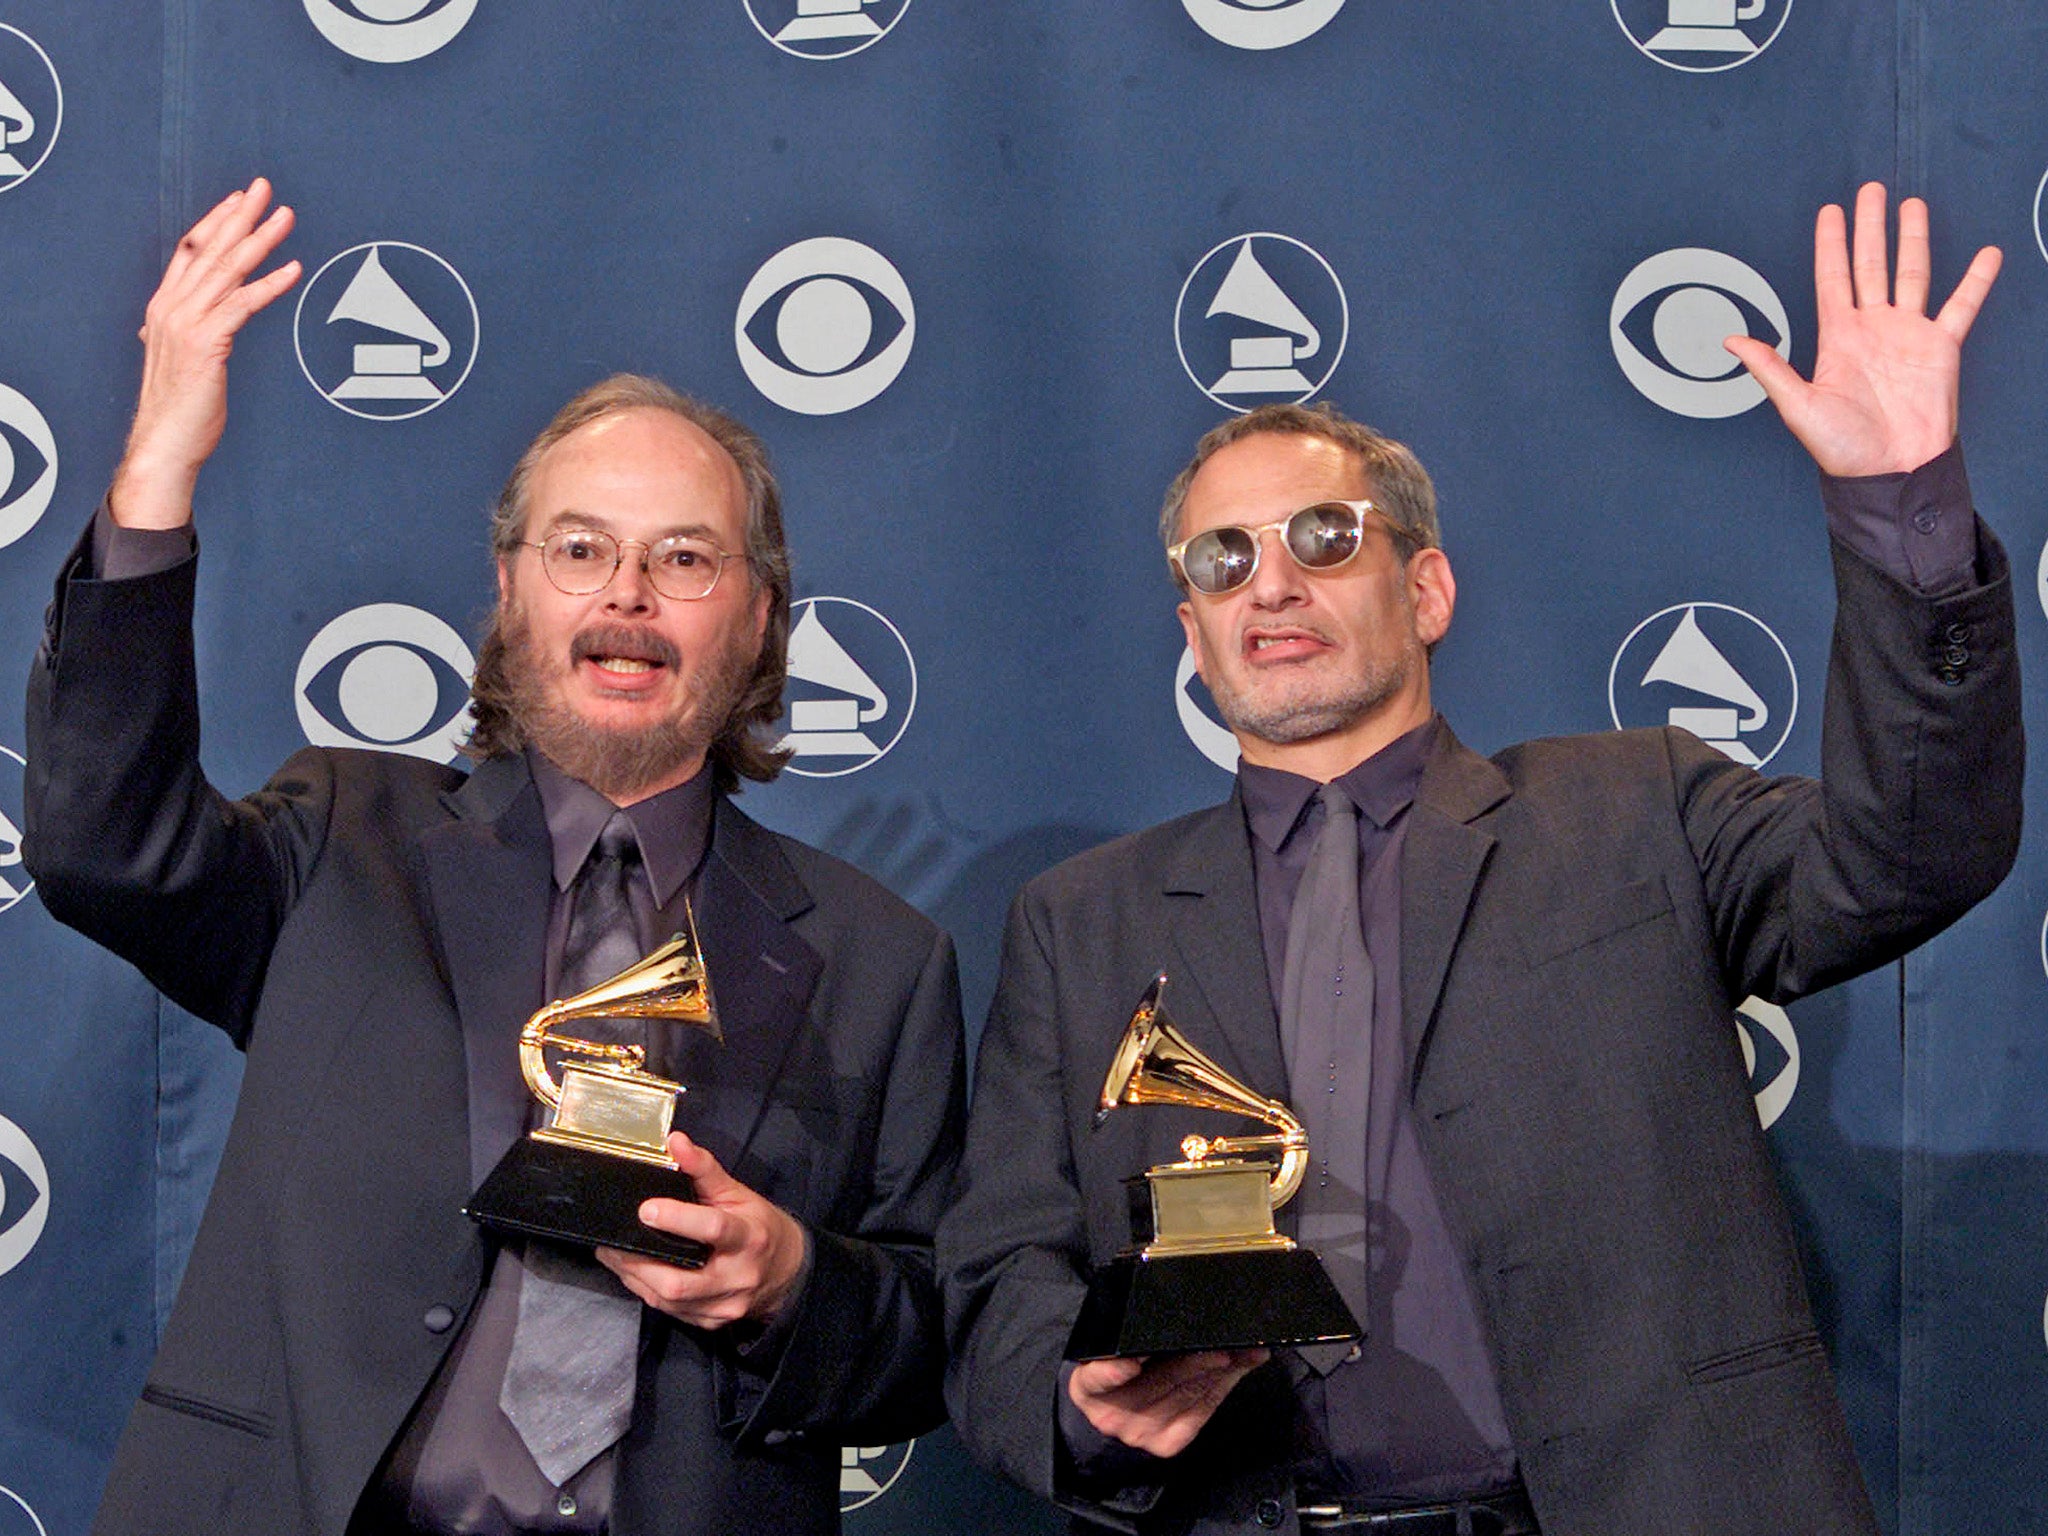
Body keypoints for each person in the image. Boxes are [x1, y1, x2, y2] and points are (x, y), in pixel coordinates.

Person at [939, 184, 2021, 1535]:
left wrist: (1895, 508)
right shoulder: (1079, 923)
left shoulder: (1638, 808)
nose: (1271, 584)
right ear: (1194, 628)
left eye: (1323, 539)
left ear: (1428, 587)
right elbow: (998, 1286)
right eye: (1224, 561)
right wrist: (1079, 1403)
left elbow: (1909, 851)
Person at [23, 179, 965, 1536]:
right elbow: (100, 848)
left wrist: (793, 1278)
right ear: (512, 591)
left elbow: (937, 1337)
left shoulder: (881, 958)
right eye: (579, 550)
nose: (626, 594)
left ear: (761, 621)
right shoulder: (345, 837)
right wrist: (157, 468)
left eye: (683, 559)